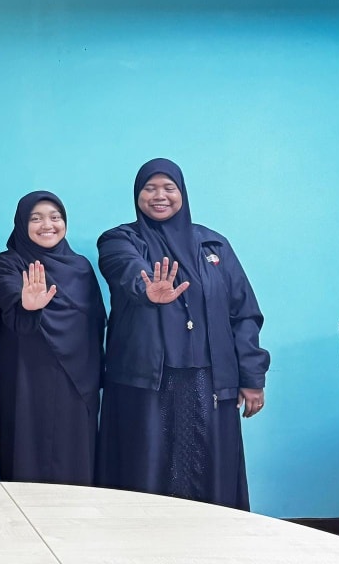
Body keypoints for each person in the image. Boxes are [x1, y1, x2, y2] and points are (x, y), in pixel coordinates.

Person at [96, 158, 269, 509]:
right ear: (137, 194)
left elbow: (244, 313)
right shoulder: (120, 240)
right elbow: (125, 268)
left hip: (208, 381)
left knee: (206, 475)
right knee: (145, 473)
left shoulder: (213, 246)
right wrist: (146, 289)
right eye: (150, 188)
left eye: (168, 188)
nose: (159, 196)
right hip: (146, 382)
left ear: (182, 193)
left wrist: (252, 377)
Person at [0, 191, 105, 485]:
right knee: (22, 451)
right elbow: (6, 293)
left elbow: (95, 323)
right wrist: (26, 304)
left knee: (73, 456)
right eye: (36, 218)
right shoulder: (8, 263)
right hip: (24, 376)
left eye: (55, 217)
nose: (47, 225)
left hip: (76, 380)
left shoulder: (80, 267)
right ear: (21, 223)